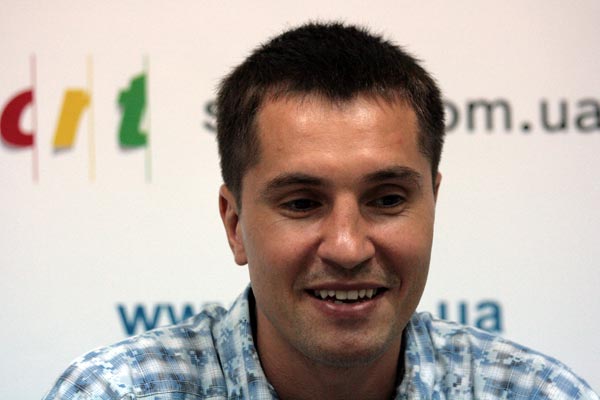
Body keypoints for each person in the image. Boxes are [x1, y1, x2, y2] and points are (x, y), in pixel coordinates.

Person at [43, 22, 598, 400]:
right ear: (235, 225)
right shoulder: (114, 393)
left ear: (433, 205)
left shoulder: (536, 393)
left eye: (387, 199)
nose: (348, 247)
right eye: (302, 203)